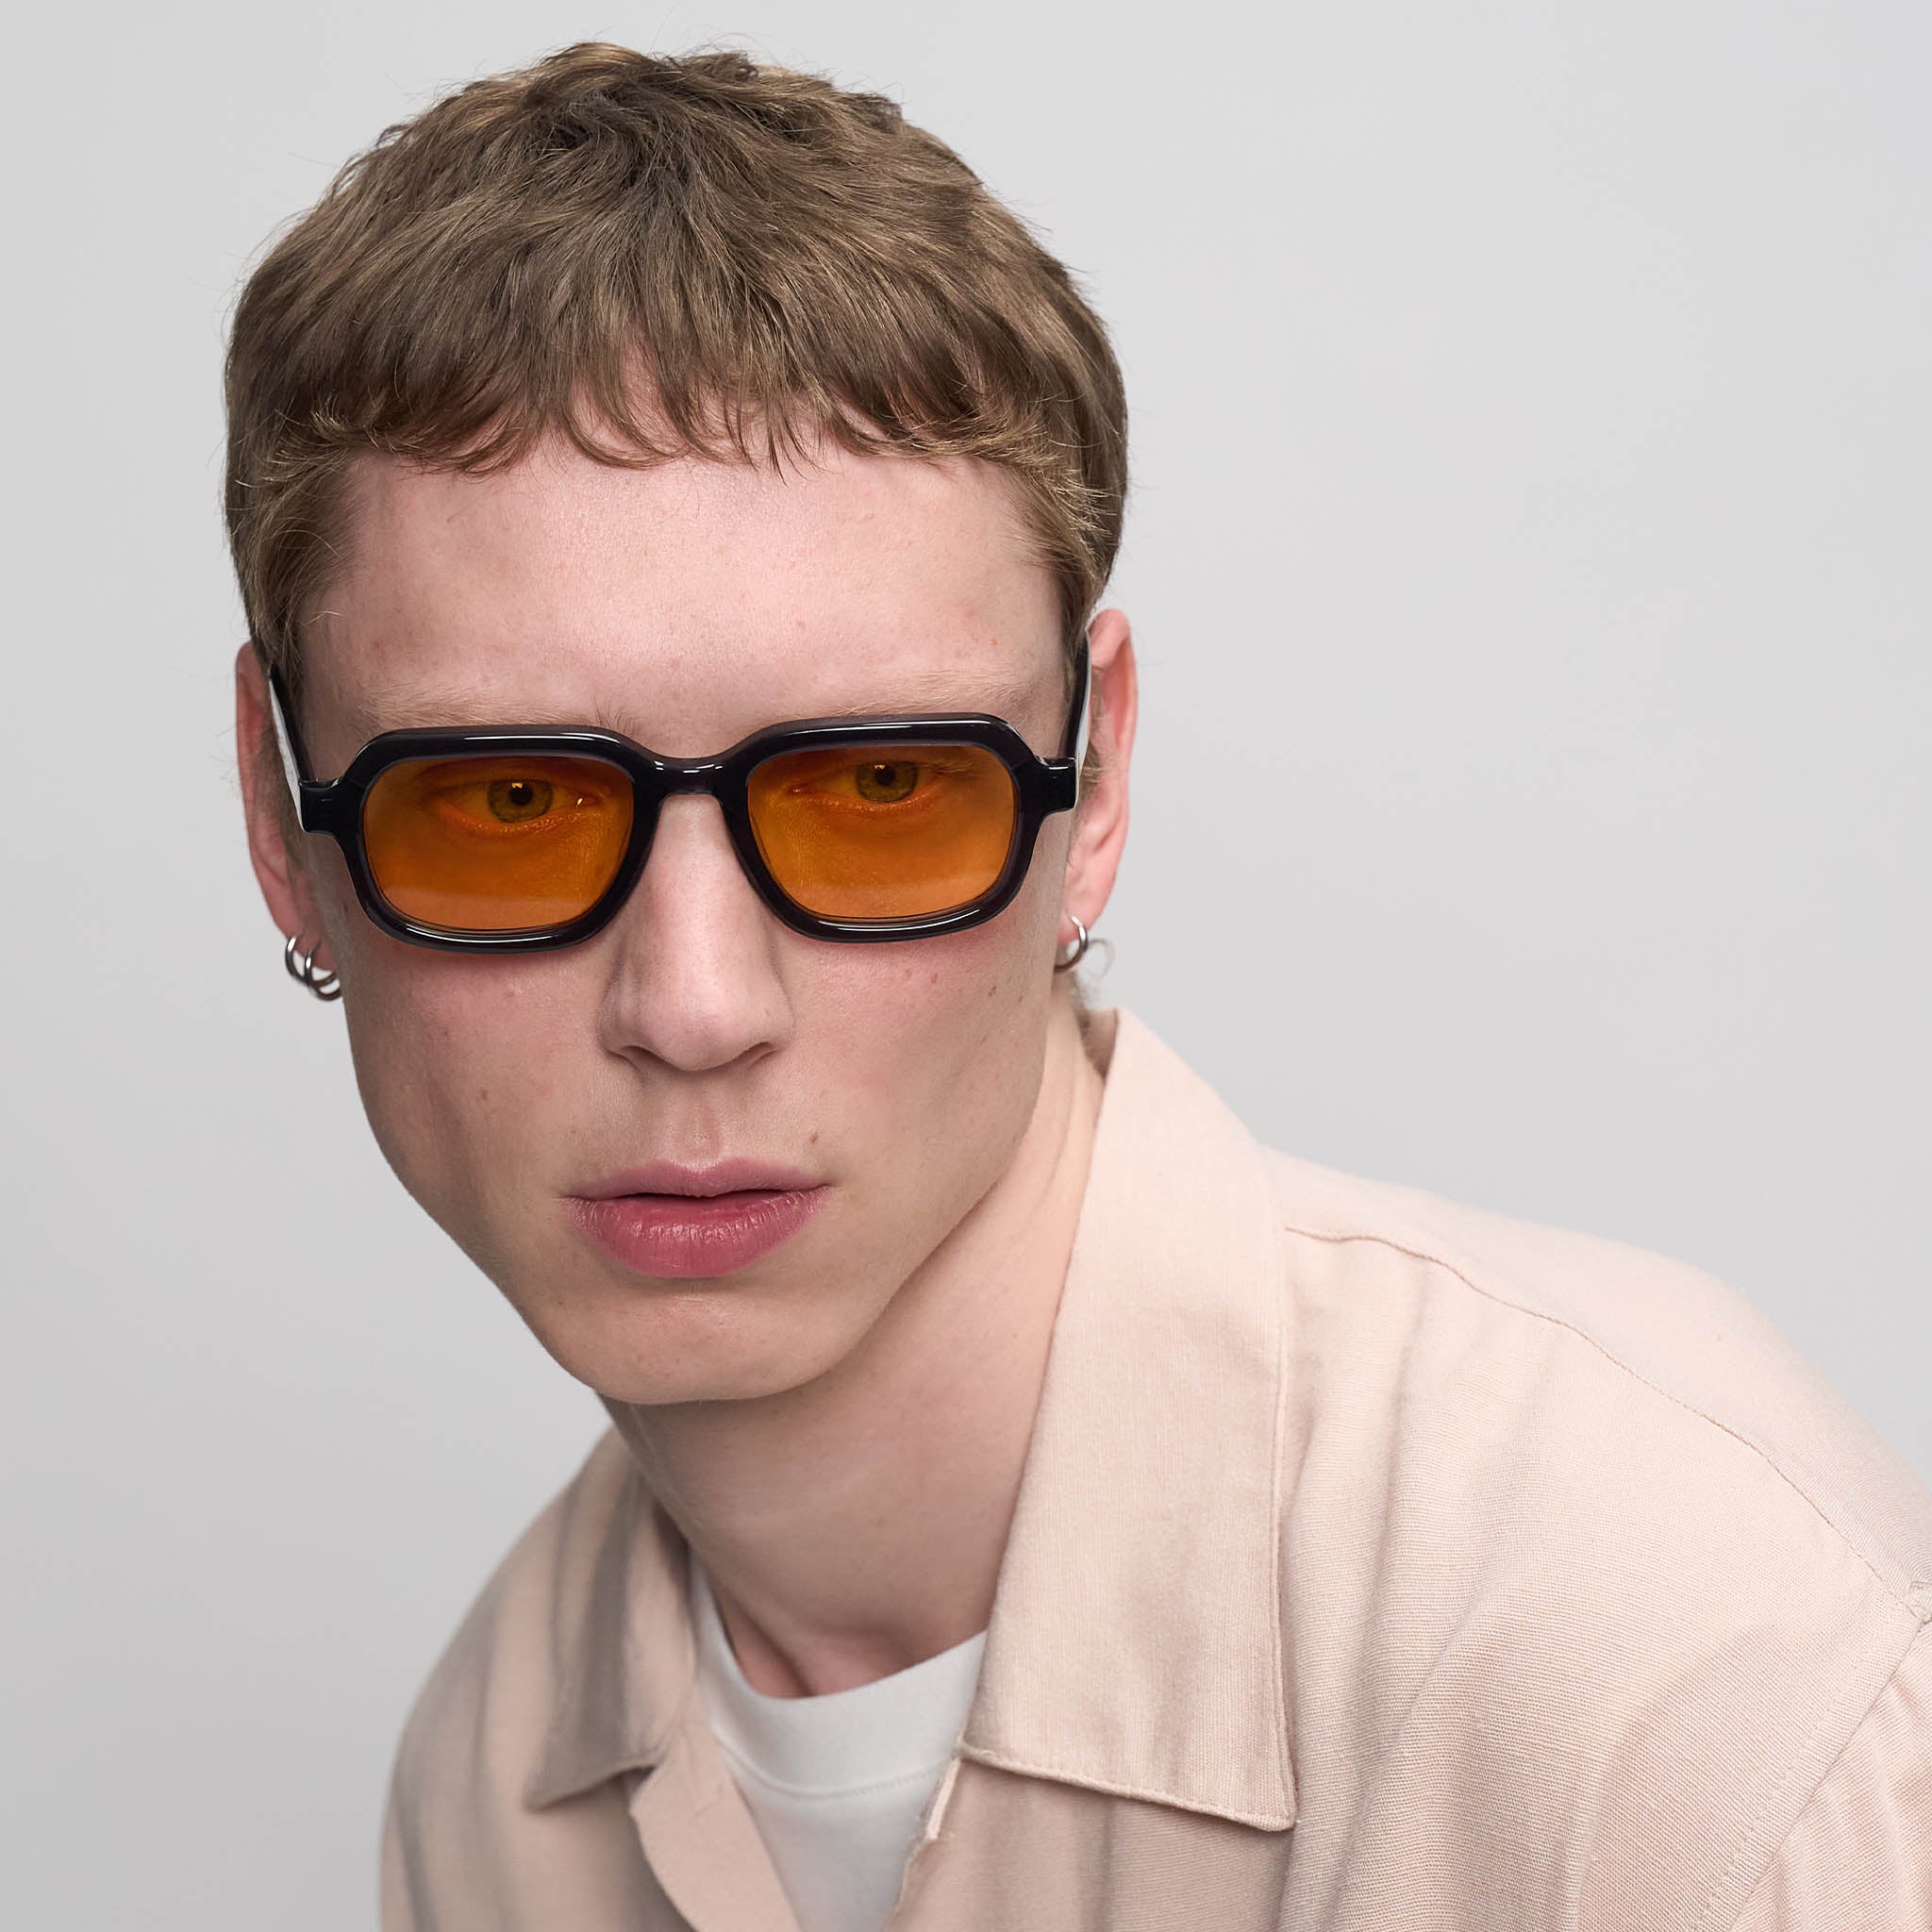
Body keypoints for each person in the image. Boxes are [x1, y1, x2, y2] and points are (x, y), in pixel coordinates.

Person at [225, 42, 1931, 1932]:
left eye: (883, 789)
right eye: (510, 805)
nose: (694, 1004)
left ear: (1093, 782)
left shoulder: (1684, 1673)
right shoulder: (489, 1795)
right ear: (281, 821)